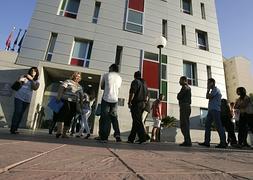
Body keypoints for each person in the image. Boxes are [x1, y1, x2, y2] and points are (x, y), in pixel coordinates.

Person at [10, 67, 40, 134]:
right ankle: (13, 128)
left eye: (34, 71)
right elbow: (17, 85)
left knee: (20, 114)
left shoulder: (37, 80)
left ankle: (16, 128)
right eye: (32, 70)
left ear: (36, 73)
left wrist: (31, 80)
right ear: (30, 71)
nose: (33, 72)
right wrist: (21, 80)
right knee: (17, 112)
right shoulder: (24, 76)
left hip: (27, 99)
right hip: (19, 96)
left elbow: (35, 88)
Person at [198, 78, 227, 148]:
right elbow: (207, 96)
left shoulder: (216, 89)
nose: (207, 84)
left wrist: (208, 91)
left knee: (218, 126)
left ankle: (223, 143)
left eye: (208, 83)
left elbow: (209, 96)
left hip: (216, 110)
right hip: (210, 110)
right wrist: (208, 90)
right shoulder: (212, 90)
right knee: (207, 125)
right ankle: (207, 142)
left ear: (212, 83)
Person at [98, 64, 122, 142]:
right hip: (115, 99)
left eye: (109, 68)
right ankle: (117, 134)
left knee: (105, 118)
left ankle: (104, 137)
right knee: (114, 117)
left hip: (106, 98)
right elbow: (118, 88)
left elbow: (102, 87)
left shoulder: (106, 75)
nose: (108, 69)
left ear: (111, 68)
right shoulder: (119, 77)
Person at [55, 72, 83, 138]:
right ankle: (59, 131)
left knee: (69, 117)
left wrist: (81, 103)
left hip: (74, 102)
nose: (77, 77)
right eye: (76, 76)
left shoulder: (79, 86)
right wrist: (59, 97)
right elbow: (61, 88)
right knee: (63, 114)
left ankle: (64, 134)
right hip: (65, 100)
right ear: (73, 76)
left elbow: (81, 95)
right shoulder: (68, 81)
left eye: (79, 77)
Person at [127, 71, 149, 144]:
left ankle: (143, 138)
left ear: (134, 76)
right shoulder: (144, 83)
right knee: (136, 121)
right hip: (143, 104)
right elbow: (147, 95)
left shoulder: (135, 82)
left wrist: (129, 101)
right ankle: (131, 138)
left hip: (136, 103)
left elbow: (132, 92)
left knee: (137, 121)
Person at [177, 76, 192, 147]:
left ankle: (187, 141)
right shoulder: (188, 88)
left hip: (184, 106)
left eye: (180, 80)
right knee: (185, 124)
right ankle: (187, 140)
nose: (179, 82)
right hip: (186, 106)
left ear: (184, 80)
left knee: (184, 124)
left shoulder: (185, 87)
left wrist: (178, 95)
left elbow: (179, 96)